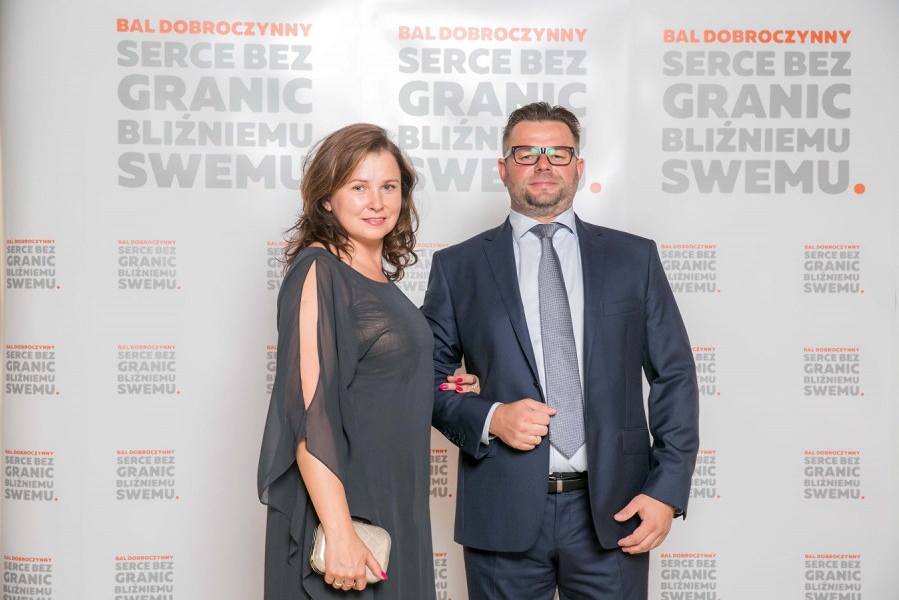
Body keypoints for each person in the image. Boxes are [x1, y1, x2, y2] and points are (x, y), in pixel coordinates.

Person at [422, 102, 700, 600]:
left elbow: (674, 375)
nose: (543, 164)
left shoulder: (633, 258)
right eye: (527, 153)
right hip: (500, 512)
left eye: (559, 152)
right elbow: (427, 379)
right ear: (503, 167)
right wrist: (491, 418)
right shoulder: (458, 267)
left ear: (579, 166)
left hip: (615, 512)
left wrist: (666, 490)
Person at [258, 123, 459, 598]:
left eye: (388, 187)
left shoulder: (375, 275)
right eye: (358, 187)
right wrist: (340, 531)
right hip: (349, 511)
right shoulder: (318, 270)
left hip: (397, 504)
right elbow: (309, 415)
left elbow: (378, 379)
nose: (377, 202)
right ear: (327, 198)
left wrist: (444, 384)